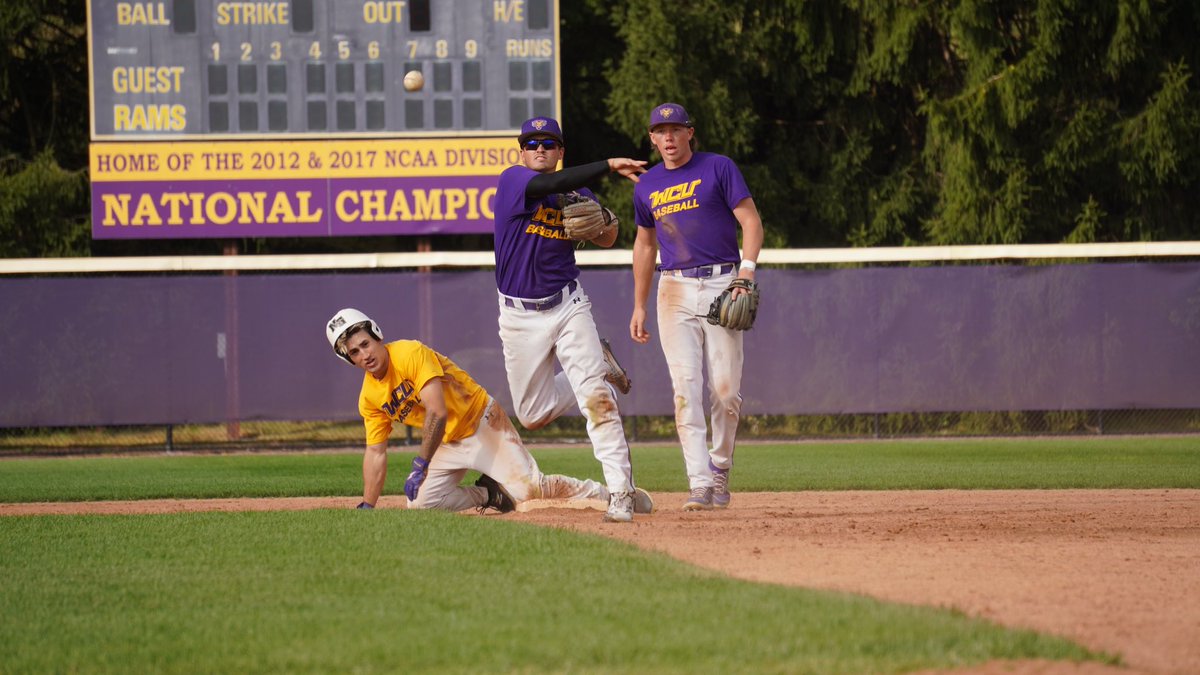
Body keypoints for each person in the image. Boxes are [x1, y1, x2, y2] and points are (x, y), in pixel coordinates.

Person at [325, 308, 651, 516]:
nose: (363, 354)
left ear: (377, 335)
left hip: (481, 422)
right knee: (422, 505)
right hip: (445, 444)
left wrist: (420, 463)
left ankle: (612, 493)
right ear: (349, 360)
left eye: (365, 343)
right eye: (354, 352)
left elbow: (437, 413)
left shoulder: (409, 352)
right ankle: (490, 493)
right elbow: (375, 453)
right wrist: (368, 504)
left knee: (530, 490)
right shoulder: (369, 397)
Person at [492, 116, 652, 522]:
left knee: (595, 399)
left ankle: (620, 492)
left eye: (549, 143)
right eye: (532, 143)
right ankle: (599, 364)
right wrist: (608, 164)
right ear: (521, 151)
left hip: (568, 306)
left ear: (561, 152)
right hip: (518, 316)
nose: (540, 149)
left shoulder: (577, 192)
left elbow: (609, 236)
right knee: (531, 414)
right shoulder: (513, 181)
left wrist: (604, 223)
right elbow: (546, 186)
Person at [629, 102, 764, 511]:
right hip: (673, 289)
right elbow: (645, 244)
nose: (668, 137)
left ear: (690, 132)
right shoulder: (646, 185)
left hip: (724, 283)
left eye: (675, 129)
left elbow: (752, 223)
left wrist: (746, 273)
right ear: (652, 138)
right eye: (660, 131)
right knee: (684, 391)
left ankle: (720, 467)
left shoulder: (718, 167)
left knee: (725, 391)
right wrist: (638, 304)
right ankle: (699, 482)